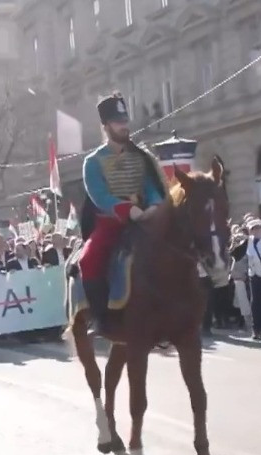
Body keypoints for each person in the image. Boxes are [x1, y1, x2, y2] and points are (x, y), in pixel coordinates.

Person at [79, 92, 166, 331]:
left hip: (145, 220)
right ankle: (100, 317)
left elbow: (150, 186)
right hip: (111, 223)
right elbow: (99, 195)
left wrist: (156, 205)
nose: (124, 126)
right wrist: (129, 211)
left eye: (125, 121)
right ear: (106, 126)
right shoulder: (93, 162)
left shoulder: (141, 157)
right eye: (118, 122)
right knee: (88, 260)